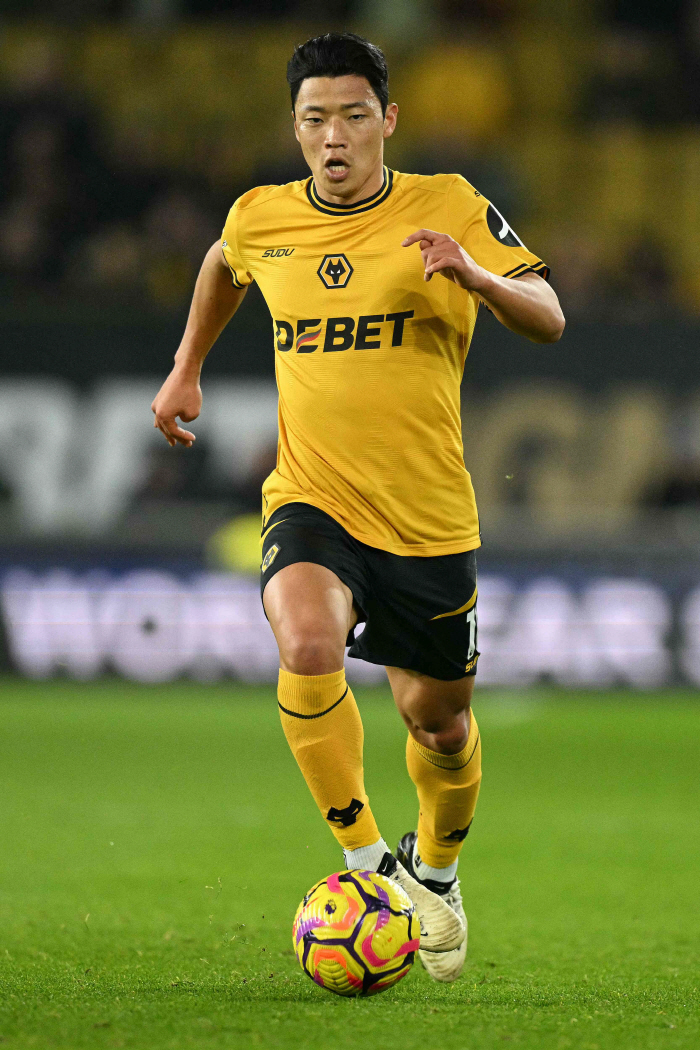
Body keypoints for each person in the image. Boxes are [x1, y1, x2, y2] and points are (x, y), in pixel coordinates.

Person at [151, 32, 564, 983]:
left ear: (388, 120)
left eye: (351, 115)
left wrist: (477, 277)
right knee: (305, 640)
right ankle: (373, 868)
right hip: (313, 497)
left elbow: (549, 317)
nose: (332, 136)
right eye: (313, 119)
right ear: (295, 128)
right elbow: (222, 262)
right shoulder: (262, 215)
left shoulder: (450, 203)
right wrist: (186, 367)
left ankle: (438, 870)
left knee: (439, 726)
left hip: (427, 519)